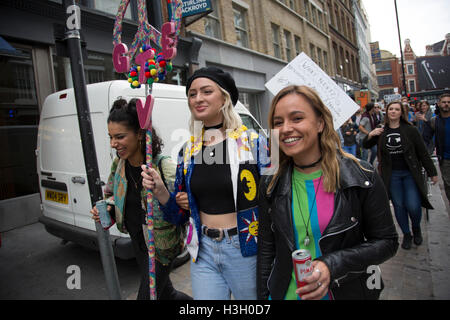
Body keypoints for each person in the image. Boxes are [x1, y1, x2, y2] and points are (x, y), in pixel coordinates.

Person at [257, 85, 398, 300]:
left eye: (296, 118)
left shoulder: (361, 176)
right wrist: (264, 297)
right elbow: (267, 250)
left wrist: (331, 265)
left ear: (320, 123)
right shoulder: (270, 181)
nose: (285, 128)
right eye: (278, 122)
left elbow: (386, 242)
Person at [142, 67, 268, 300]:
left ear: (224, 97)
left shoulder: (253, 144)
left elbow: (273, 199)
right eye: (192, 94)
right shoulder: (187, 152)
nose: (198, 98)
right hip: (203, 251)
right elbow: (178, 216)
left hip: (246, 249)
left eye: (206, 91)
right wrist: (160, 191)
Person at [90, 98, 191, 300]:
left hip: (161, 247)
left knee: (146, 297)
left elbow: (182, 212)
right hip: (138, 242)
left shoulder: (164, 167)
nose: (113, 144)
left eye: (119, 136)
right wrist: (107, 208)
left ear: (139, 134)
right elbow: (111, 195)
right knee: (166, 294)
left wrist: (168, 194)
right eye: (110, 137)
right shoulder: (119, 165)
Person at [363, 101, 438, 250]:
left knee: (413, 205)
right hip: (392, 175)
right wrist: (371, 134)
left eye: (397, 109)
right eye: (391, 109)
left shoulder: (410, 130)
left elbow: (422, 152)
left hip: (410, 173)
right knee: (399, 206)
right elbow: (366, 145)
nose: (393, 111)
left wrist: (432, 172)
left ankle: (416, 228)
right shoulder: (381, 130)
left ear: (401, 112)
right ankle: (407, 234)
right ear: (387, 111)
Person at [423, 93, 450, 205]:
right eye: (444, 102)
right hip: (445, 159)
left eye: (449, 102)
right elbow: (425, 139)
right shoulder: (435, 121)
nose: (446, 104)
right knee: (448, 185)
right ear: (438, 104)